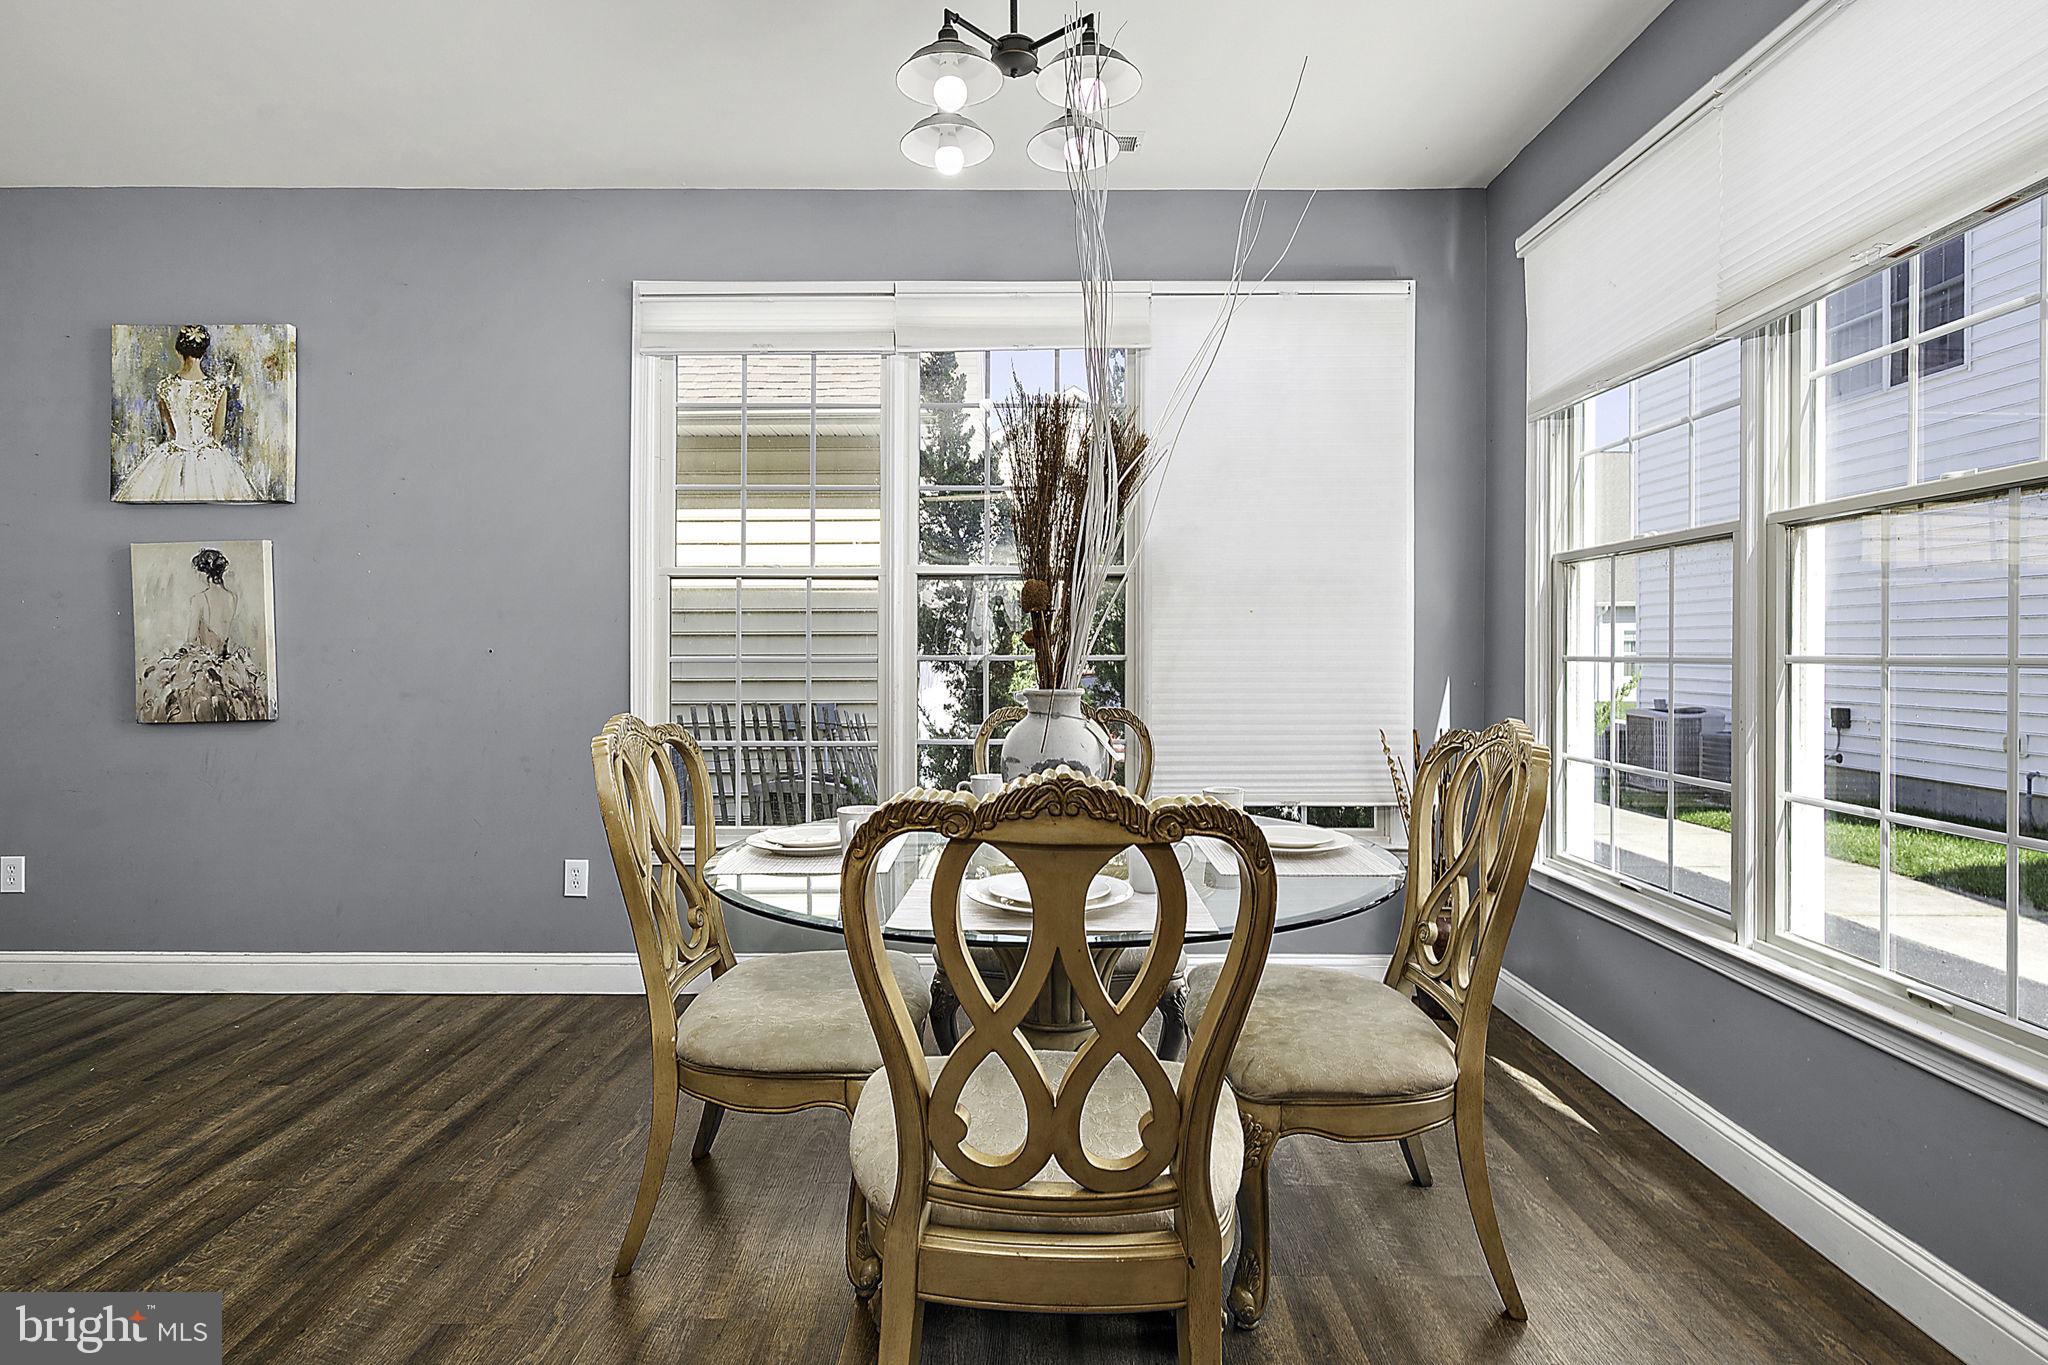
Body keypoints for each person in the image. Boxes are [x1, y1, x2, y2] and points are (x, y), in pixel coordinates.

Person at [114, 325, 263, 502]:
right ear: (204, 353)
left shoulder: (164, 387)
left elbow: (171, 433)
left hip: (173, 456)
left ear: (178, 352)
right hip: (210, 459)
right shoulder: (218, 390)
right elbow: (217, 435)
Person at [137, 548, 271, 722]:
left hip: (203, 665)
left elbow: (191, 639)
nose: (196, 576)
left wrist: (178, 653)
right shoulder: (232, 597)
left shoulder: (198, 599)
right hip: (226, 664)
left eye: (198, 572)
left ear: (204, 573)